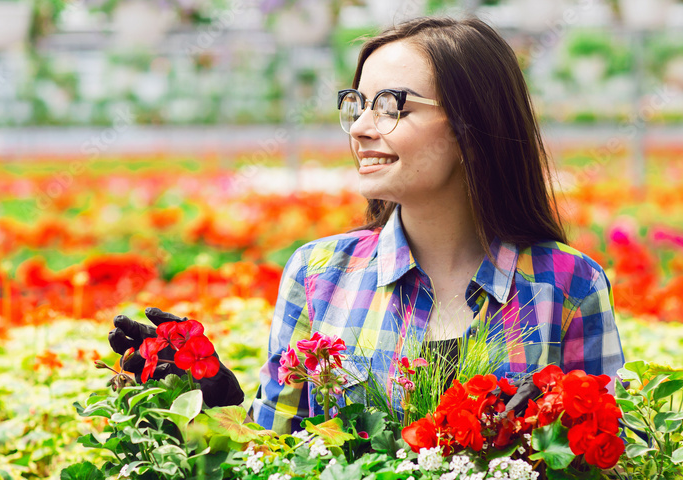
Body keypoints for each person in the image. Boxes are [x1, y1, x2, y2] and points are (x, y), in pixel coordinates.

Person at [110, 16, 624, 435]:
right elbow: (272, 456)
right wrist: (209, 399)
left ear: (474, 124)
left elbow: (611, 474)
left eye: (390, 106)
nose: (359, 128)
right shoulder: (319, 274)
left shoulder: (568, 286)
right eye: (355, 105)